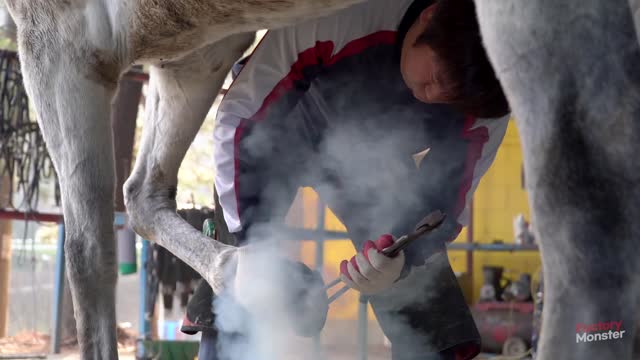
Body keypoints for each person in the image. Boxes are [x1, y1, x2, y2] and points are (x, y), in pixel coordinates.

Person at [182, 0, 510, 358]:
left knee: (430, 308)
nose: (434, 96)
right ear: (431, 15)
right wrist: (249, 245)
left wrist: (405, 257)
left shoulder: (489, 106)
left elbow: (441, 206)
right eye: (439, 78)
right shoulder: (345, 11)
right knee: (240, 281)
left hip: (373, 156)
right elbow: (243, 116)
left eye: (453, 98)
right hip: (284, 122)